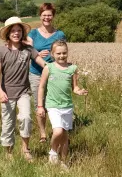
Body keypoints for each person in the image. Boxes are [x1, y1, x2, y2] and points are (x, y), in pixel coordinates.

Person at [0, 17, 46, 161]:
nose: (16, 33)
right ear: (8, 33)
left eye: (19, 31)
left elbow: (42, 63)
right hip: (6, 93)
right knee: (8, 122)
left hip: (24, 92)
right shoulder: (1, 50)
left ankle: (25, 149)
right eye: (13, 31)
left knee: (26, 118)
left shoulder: (28, 49)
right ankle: (8, 152)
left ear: (22, 33)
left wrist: (56, 68)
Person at [37, 40, 87, 169]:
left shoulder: (72, 69)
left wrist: (79, 91)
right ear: (52, 54)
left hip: (67, 106)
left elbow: (74, 87)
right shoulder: (49, 68)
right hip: (53, 105)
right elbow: (41, 87)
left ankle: (64, 162)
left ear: (67, 53)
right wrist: (40, 106)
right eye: (58, 53)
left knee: (64, 135)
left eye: (64, 53)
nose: (61, 56)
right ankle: (53, 153)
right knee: (58, 131)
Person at [26, 3, 66, 142]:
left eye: (49, 15)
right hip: (36, 73)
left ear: (53, 16)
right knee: (39, 103)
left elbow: (62, 52)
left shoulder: (60, 34)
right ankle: (43, 133)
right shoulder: (33, 33)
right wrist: (38, 54)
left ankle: (57, 129)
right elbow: (29, 51)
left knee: (55, 103)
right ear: (40, 16)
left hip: (55, 74)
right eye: (44, 15)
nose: (47, 17)